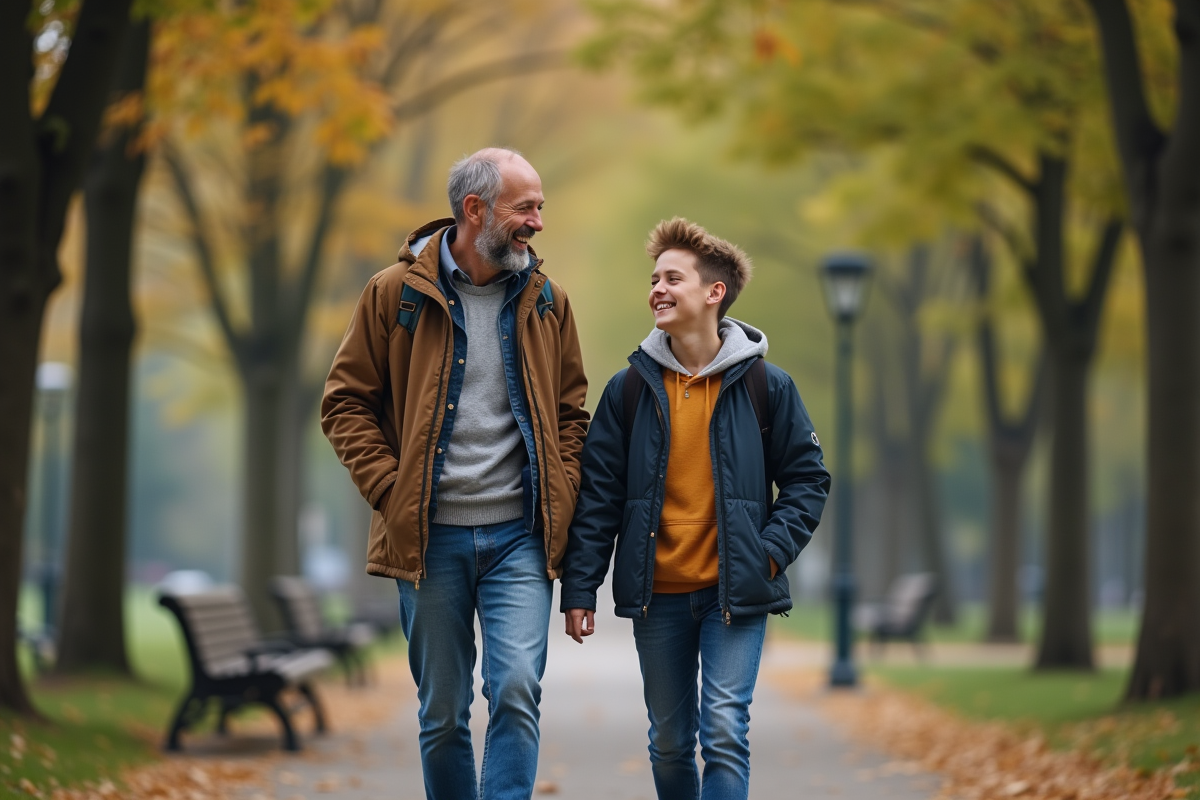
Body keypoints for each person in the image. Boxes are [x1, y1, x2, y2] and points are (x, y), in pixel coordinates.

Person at [321, 148, 589, 800]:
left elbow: (572, 413)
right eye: (526, 208)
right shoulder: (393, 295)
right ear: (476, 210)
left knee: (518, 689)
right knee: (442, 714)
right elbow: (345, 403)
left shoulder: (548, 301)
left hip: (519, 540)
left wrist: (563, 485)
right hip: (428, 539)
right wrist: (390, 488)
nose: (537, 223)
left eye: (540, 208)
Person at [560, 218, 829, 799]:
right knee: (671, 742)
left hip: (736, 592)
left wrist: (770, 555)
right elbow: (599, 497)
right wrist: (581, 588)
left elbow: (808, 480)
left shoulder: (767, 386)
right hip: (659, 595)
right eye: (654, 278)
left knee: (726, 730)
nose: (657, 288)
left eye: (672, 278)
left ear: (714, 293)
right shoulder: (627, 390)